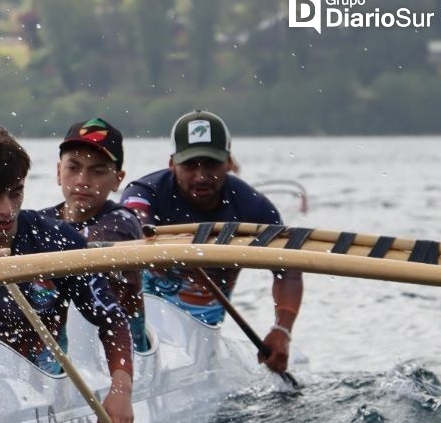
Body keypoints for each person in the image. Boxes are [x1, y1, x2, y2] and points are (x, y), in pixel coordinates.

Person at [0, 127, 135, 423]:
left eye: (16, 193)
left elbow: (112, 320)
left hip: (48, 389)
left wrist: (121, 390)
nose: (7, 210)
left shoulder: (60, 241)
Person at [120, 109, 303, 374]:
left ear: (229, 162)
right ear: (172, 164)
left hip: (202, 337)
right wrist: (146, 239)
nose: (201, 176)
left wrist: (282, 330)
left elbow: (289, 270)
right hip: (142, 329)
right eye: (190, 165)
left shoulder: (252, 207)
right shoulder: (146, 192)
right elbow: (129, 224)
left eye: (211, 164)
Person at [39, 118, 149, 352]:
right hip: (65, 351)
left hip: (124, 350)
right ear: (59, 172)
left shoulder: (123, 222)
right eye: (73, 168)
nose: (82, 181)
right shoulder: (40, 220)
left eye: (97, 171)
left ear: (118, 180)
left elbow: (79, 245)